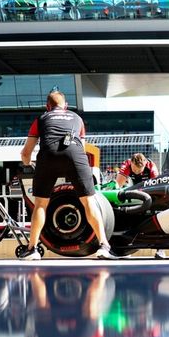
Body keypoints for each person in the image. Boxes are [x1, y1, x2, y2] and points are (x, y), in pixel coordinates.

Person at [19, 89, 118, 260]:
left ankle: (32, 249)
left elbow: (26, 153)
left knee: (41, 204)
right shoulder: (77, 119)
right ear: (65, 106)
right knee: (88, 201)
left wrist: (29, 163)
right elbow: (82, 146)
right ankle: (104, 246)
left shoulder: (41, 119)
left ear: (47, 106)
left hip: (48, 155)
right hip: (75, 155)